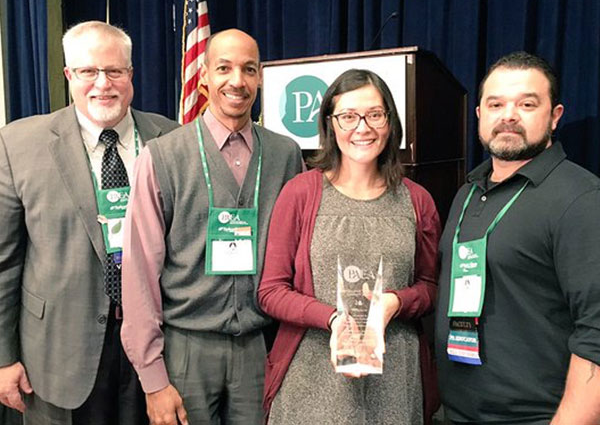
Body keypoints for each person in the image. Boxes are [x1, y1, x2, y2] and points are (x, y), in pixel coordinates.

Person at [120, 28, 304, 425]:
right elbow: (139, 272)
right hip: (185, 349)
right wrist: (153, 379)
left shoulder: (286, 155)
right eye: (224, 68)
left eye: (248, 69)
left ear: (259, 78)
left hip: (261, 346)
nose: (236, 81)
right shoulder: (163, 156)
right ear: (203, 75)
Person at [0, 21, 178, 425]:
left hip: (155, 349)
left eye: (115, 71)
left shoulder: (171, 139)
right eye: (88, 71)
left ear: (131, 75)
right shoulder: (17, 145)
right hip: (57, 354)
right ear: (69, 75)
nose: (103, 83)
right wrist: (2, 358)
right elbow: (4, 263)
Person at [258, 69, 441, 425]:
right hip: (312, 373)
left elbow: (430, 288)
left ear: (390, 121)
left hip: (394, 376)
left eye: (375, 114)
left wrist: (393, 303)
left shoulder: (418, 201)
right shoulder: (300, 193)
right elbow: (271, 291)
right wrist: (332, 319)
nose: (363, 128)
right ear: (330, 123)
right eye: (348, 116)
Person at [434, 51, 600, 424]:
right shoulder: (469, 191)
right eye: (496, 104)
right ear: (479, 114)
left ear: (555, 116)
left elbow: (597, 334)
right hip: (456, 414)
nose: (508, 115)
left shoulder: (582, 200)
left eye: (526, 103)